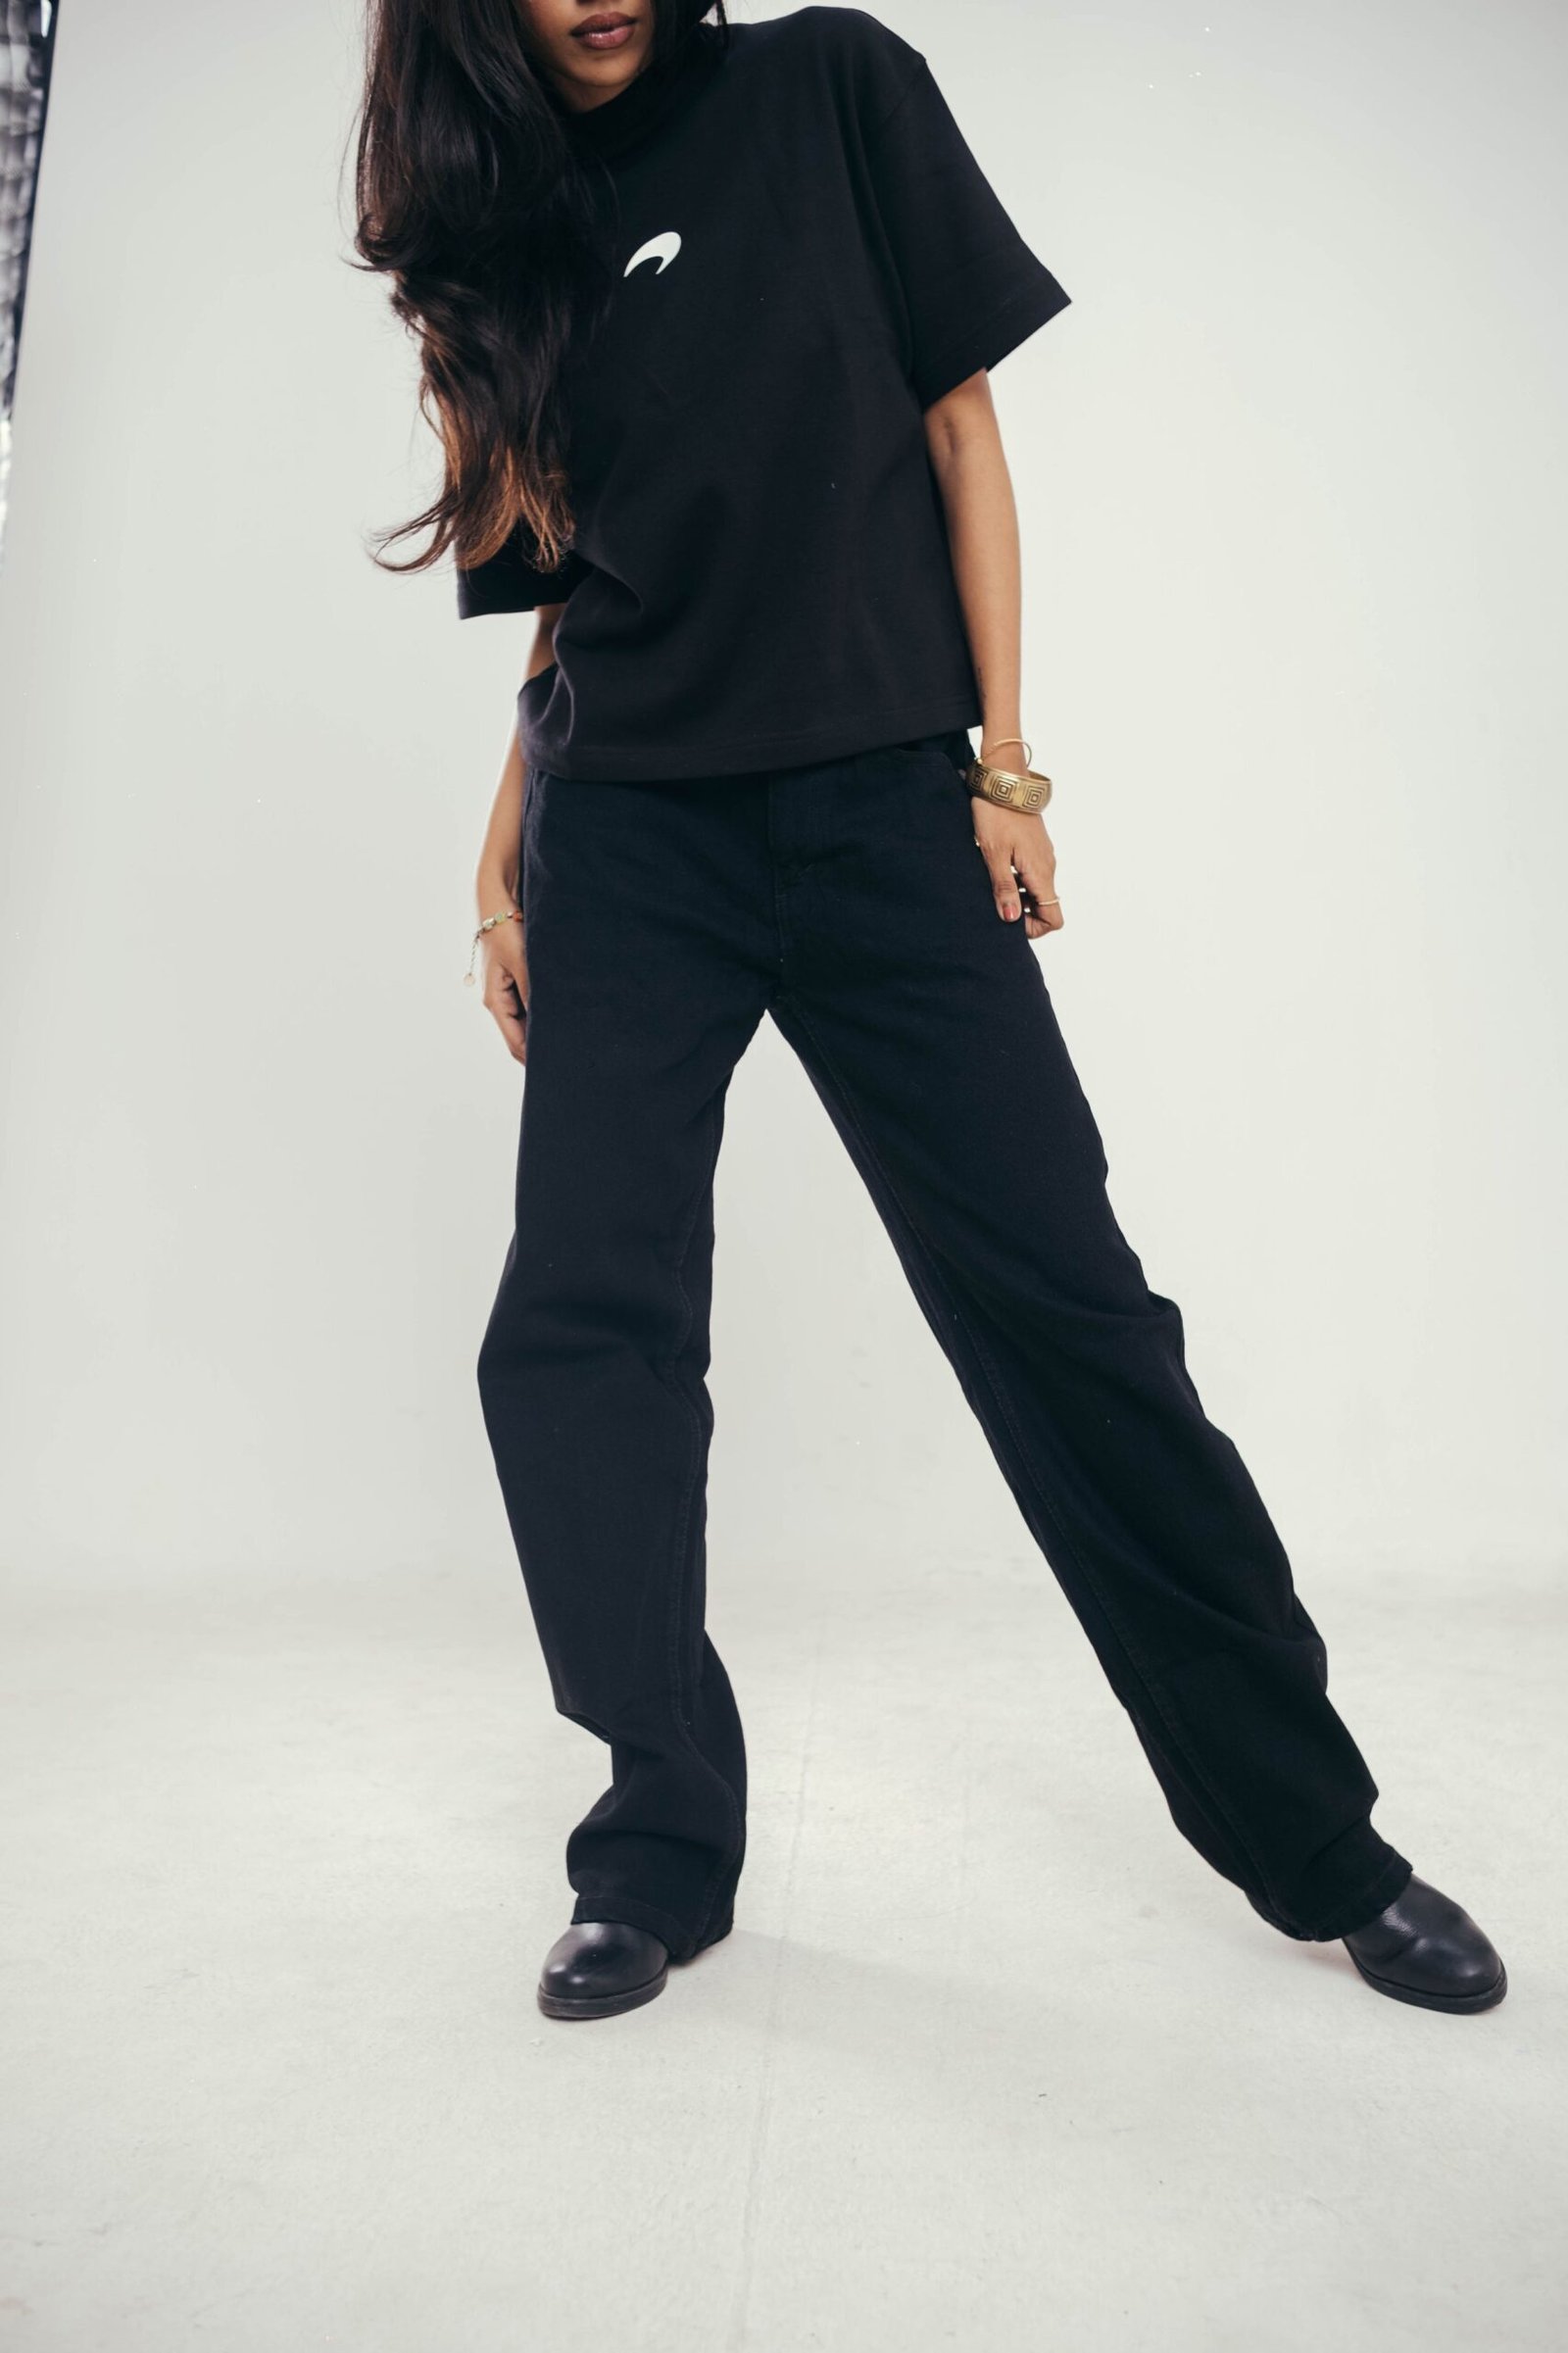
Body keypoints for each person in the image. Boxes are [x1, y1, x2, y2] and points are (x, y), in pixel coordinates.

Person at [354, 0, 1506, 2022]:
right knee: (584, 1330)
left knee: (1069, 1316)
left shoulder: (830, 87)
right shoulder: (499, 228)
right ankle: (657, 1838)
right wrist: (499, 863)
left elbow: (959, 425)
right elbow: (564, 600)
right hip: (627, 840)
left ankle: (1318, 1841)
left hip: (884, 813)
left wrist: (1009, 767)